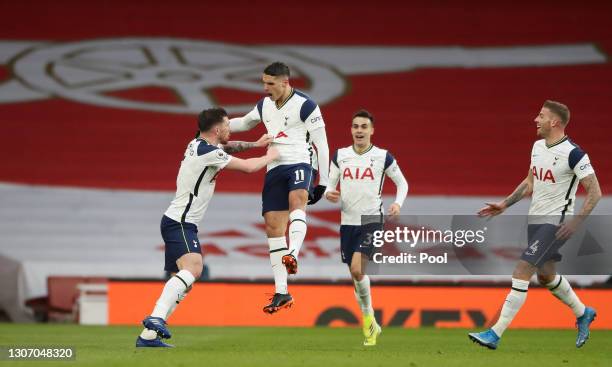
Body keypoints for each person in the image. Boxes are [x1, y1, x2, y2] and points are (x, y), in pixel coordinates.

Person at [136, 107, 278, 347]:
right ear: (217, 129)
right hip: (181, 222)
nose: (229, 130)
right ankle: (156, 318)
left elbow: (228, 148)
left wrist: (255, 143)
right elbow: (248, 168)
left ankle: (148, 337)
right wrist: (270, 156)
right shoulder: (207, 152)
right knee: (194, 267)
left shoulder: (198, 144)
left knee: (183, 281)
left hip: (176, 220)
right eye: (226, 125)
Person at [469, 100, 602, 349]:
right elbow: (530, 181)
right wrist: (505, 204)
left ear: (555, 122)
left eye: (541, 116)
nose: (535, 120)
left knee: (522, 270)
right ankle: (583, 312)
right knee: (546, 276)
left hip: (556, 223)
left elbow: (595, 192)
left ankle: (494, 334)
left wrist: (576, 221)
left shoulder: (574, 154)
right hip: (536, 220)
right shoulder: (538, 146)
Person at [229, 62, 330, 313]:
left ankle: (293, 253)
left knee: (297, 200)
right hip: (274, 166)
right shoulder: (264, 106)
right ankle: (282, 292)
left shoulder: (306, 105)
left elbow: (322, 145)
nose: (265, 88)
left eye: (270, 83)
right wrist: (216, 126)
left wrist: (325, 182)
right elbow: (242, 123)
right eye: (263, 82)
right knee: (273, 227)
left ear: (285, 83)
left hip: (301, 162)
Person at [325, 109, 408, 346]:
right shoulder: (340, 156)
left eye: (363, 127)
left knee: (357, 268)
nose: (359, 130)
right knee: (355, 274)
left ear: (372, 130)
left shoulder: (383, 157)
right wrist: (330, 195)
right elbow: (331, 187)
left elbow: (402, 183)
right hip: (347, 222)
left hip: (372, 220)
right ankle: (371, 320)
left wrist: (397, 203)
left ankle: (368, 319)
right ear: (351, 130)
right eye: (355, 126)